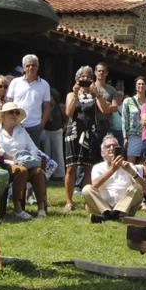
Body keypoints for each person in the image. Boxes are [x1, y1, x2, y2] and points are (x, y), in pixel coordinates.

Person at [64, 65, 110, 212]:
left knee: (88, 167)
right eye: (82, 77)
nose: (85, 79)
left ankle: (87, 200)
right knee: (71, 167)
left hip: (90, 132)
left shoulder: (94, 93)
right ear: (77, 79)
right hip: (74, 132)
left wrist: (98, 95)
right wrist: (76, 93)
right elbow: (69, 113)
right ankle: (69, 201)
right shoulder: (71, 94)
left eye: (88, 77)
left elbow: (104, 110)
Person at [0, 101, 47, 219]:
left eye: (17, 112)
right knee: (21, 171)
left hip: (25, 162)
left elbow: (33, 148)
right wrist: (13, 159)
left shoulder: (21, 130)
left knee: (38, 172)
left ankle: (41, 209)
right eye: (11, 112)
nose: (14, 115)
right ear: (3, 116)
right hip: (5, 164)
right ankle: (17, 208)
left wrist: (27, 158)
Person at [82, 136, 145, 221]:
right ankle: (108, 214)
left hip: (125, 207)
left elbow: (143, 187)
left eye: (114, 146)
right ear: (102, 152)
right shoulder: (97, 167)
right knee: (86, 189)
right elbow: (95, 185)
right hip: (102, 206)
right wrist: (112, 170)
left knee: (137, 187)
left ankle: (113, 214)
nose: (112, 148)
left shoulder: (128, 166)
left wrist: (130, 171)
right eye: (108, 146)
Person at [6, 54, 52, 146]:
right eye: (28, 65)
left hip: (35, 127)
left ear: (38, 67)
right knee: (16, 153)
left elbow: (47, 107)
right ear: (23, 68)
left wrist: (41, 125)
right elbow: (8, 103)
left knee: (33, 156)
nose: (31, 67)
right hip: (17, 124)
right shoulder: (15, 82)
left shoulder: (44, 84)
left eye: (33, 65)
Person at [41, 83, 67, 182]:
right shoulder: (44, 106)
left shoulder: (60, 107)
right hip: (46, 131)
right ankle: (47, 174)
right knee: (46, 153)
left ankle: (59, 174)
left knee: (58, 153)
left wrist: (65, 126)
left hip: (57, 131)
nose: (50, 98)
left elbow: (66, 117)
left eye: (51, 96)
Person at [121, 77, 146, 163]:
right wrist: (125, 137)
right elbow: (124, 119)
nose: (141, 85)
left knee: (145, 162)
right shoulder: (128, 101)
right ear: (136, 87)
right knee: (131, 161)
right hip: (133, 135)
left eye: (143, 84)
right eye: (139, 84)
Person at [92, 62, 121, 142]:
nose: (101, 73)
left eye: (103, 71)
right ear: (95, 72)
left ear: (107, 73)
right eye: (99, 71)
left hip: (106, 124)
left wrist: (102, 104)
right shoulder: (90, 87)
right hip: (91, 122)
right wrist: (107, 104)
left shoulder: (112, 90)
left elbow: (115, 108)